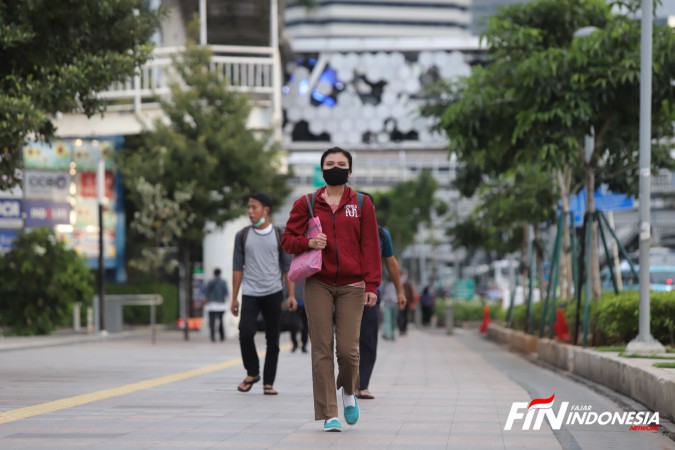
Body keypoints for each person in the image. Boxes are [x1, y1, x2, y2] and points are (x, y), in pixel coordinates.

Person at [281, 147, 381, 432]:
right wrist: (308, 244)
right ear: (321, 169)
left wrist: (371, 284)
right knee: (321, 348)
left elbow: (370, 246)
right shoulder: (307, 203)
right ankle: (329, 413)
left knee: (349, 351)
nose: (335, 167)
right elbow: (288, 240)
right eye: (329, 163)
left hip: (352, 285)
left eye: (341, 164)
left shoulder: (362, 204)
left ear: (349, 171)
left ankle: (349, 391)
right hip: (318, 283)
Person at [231, 192, 296, 396]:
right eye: (249, 208)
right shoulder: (242, 236)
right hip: (250, 292)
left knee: (273, 339)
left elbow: (288, 267)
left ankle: (268, 382)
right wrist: (234, 297)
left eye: (254, 207)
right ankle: (252, 372)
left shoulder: (279, 234)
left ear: (266, 210)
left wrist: (291, 295)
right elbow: (237, 268)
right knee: (245, 332)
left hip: (273, 292)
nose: (250, 211)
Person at [356, 219, 406, 401]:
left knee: (368, 339)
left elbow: (391, 263)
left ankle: (362, 385)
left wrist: (400, 291)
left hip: (371, 294)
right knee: (347, 342)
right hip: (343, 292)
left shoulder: (381, 234)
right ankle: (350, 379)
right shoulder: (342, 227)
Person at [204, 268, 229, 342]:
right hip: (221, 304)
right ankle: (222, 336)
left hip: (211, 304)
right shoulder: (223, 282)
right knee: (221, 321)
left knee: (212, 321)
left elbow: (206, 292)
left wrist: (205, 301)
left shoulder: (210, 282)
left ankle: (212, 337)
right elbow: (226, 293)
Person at [289, 279, 309, 353]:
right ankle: (294, 344)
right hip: (294, 303)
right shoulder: (293, 273)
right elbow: (287, 285)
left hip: (306, 303)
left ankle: (304, 345)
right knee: (293, 325)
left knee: (305, 326)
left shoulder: (307, 273)